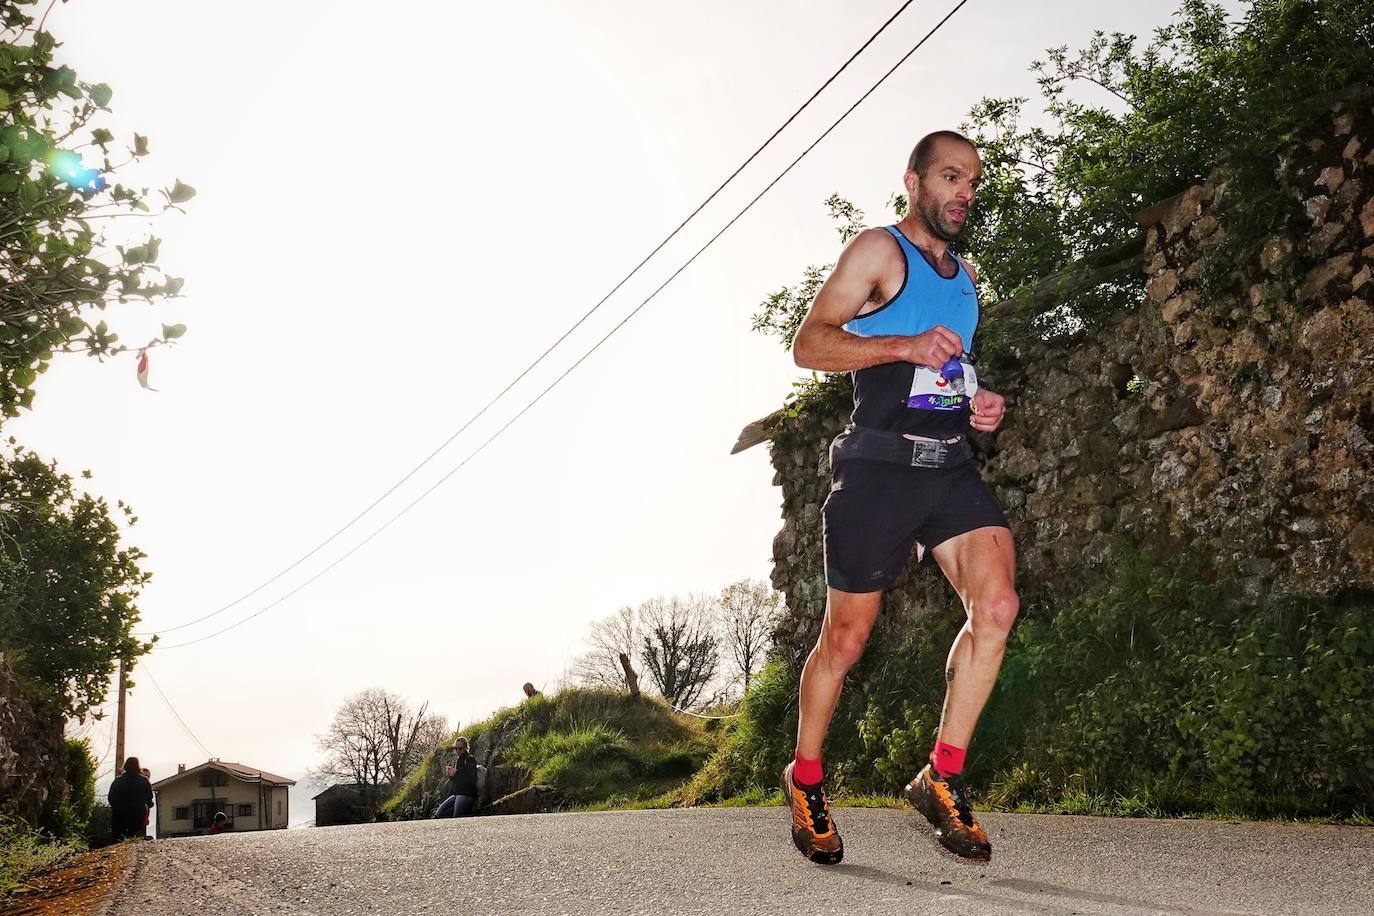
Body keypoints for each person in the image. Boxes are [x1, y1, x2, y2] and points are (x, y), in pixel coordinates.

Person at [783, 130, 1014, 865]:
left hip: (948, 467)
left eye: (973, 182)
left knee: (998, 608)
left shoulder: (967, 275)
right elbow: (810, 344)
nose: (964, 194)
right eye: (951, 177)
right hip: (879, 470)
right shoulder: (879, 252)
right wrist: (901, 347)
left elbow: (953, 369)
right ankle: (806, 776)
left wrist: (981, 401)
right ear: (914, 181)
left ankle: (941, 777)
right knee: (845, 641)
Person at [108, 756, 155, 842]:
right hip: (138, 814)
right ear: (138, 767)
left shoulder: (117, 781)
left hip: (119, 814)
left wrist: (117, 807)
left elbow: (111, 798)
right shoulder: (144, 781)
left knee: (118, 839)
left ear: (125, 766)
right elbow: (149, 800)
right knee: (136, 838)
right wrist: (148, 804)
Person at [433, 736, 479, 818]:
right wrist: (451, 775)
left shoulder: (469, 759)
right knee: (439, 813)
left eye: (460, 748)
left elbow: (472, 778)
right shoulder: (459, 759)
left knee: (457, 816)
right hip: (457, 793)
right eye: (455, 748)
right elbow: (457, 780)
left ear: (465, 748)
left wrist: (456, 772)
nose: (457, 751)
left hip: (467, 793)